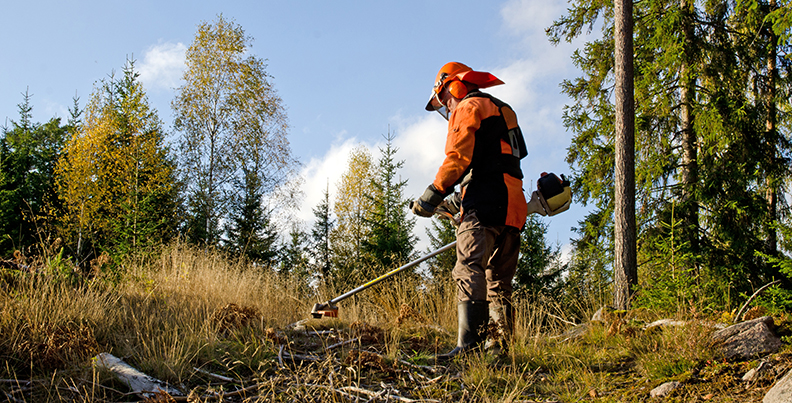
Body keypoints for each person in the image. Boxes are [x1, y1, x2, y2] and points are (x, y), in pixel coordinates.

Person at [412, 62, 528, 360]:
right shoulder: (503, 109)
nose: (447, 108)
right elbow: (499, 159)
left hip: (484, 201)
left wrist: (432, 195)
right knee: (498, 280)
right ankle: (499, 349)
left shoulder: (468, 106)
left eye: (445, 100)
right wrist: (456, 201)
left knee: (468, 268)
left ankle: (469, 348)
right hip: (514, 205)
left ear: (455, 86)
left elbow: (458, 157)